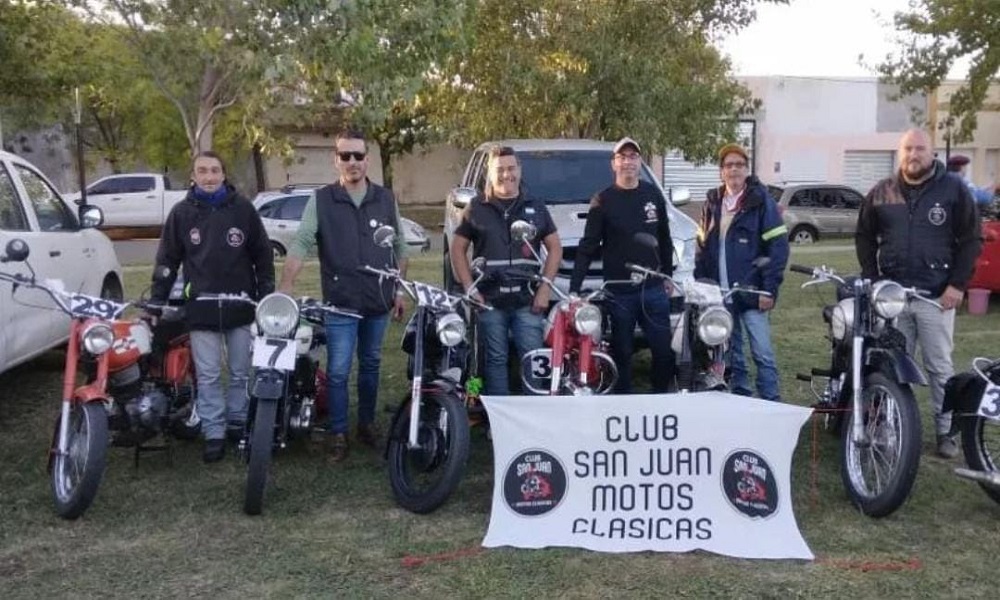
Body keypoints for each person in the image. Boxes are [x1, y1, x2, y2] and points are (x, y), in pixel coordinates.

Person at [278, 127, 408, 463]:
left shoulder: (385, 198)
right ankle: (338, 431)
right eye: (345, 155)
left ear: (367, 160)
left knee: (371, 365)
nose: (353, 162)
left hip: (377, 300)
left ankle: (365, 424)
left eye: (359, 155)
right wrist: (286, 285)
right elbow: (303, 242)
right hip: (341, 302)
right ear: (336, 160)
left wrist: (398, 290)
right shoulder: (321, 200)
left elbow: (400, 247)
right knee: (337, 371)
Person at [857, 128, 982, 458]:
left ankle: (945, 432)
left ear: (932, 152)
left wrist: (957, 285)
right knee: (890, 364)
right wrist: (873, 279)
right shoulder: (883, 191)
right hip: (893, 299)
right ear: (900, 153)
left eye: (920, 149)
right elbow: (864, 236)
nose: (914, 155)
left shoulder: (954, 189)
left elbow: (971, 240)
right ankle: (888, 428)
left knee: (939, 367)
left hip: (935, 297)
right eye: (908, 149)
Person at [150, 151, 275, 463]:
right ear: (193, 176)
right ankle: (214, 431)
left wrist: (265, 294)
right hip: (202, 308)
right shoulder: (181, 213)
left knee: (239, 372)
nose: (209, 177)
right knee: (206, 375)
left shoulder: (243, 210)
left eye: (215, 170)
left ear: (224, 174)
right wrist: (156, 301)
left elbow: (262, 255)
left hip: (240, 306)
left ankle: (236, 422)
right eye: (202, 171)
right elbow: (167, 261)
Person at [450, 145, 562, 396]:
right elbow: (457, 250)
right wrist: (470, 288)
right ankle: (499, 425)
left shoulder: (536, 206)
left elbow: (555, 248)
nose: (506, 174)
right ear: (490, 173)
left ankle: (533, 420)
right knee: (495, 360)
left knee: (532, 359)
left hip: (527, 299)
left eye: (511, 168)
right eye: (499, 170)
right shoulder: (476, 207)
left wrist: (545, 288)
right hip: (490, 300)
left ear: (520, 170)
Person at [570, 137, 675, 393]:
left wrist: (667, 276)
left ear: (640, 162)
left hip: (652, 289)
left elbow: (664, 239)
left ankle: (660, 399)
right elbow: (587, 246)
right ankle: (623, 403)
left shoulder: (653, 195)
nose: (628, 162)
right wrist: (574, 288)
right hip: (619, 291)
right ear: (613, 164)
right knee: (622, 353)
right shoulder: (603, 200)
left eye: (633, 157)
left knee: (663, 351)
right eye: (622, 157)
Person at [695, 143, 789, 402]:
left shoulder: (761, 202)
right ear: (721, 172)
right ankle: (742, 399)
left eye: (739, 165)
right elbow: (701, 247)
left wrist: (769, 288)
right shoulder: (712, 203)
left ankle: (771, 402)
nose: (734, 169)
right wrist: (702, 284)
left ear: (746, 170)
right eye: (728, 165)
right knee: (731, 353)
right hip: (721, 295)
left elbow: (778, 249)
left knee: (762, 352)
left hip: (753, 292)